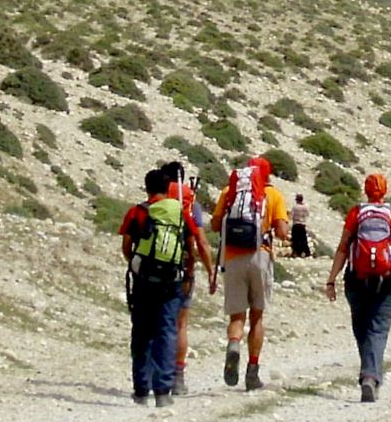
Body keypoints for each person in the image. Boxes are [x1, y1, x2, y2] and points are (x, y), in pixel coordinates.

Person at [119, 167, 215, 407]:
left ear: (147, 188)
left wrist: (135, 263)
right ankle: (163, 391)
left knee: (141, 333)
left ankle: (141, 390)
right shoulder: (180, 213)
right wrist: (197, 271)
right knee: (167, 331)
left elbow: (126, 245)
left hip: (143, 281)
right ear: (167, 189)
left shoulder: (138, 212)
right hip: (172, 280)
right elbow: (193, 244)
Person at [325, 173, 391, 403]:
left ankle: (368, 375)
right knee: (379, 327)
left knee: (361, 326)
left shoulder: (356, 214)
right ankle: (370, 377)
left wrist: (331, 280)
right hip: (387, 281)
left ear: (366, 190)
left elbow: (343, 248)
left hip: (356, 278)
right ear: (385, 191)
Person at [213, 156, 288, 390]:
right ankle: (252, 372)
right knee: (257, 316)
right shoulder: (273, 195)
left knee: (237, 316)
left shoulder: (230, 191)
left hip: (233, 258)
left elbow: (215, 225)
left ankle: (233, 344)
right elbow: (283, 231)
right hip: (260, 256)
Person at [159, 161, 205, 393]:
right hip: (184, 269)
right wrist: (208, 268)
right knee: (181, 324)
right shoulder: (190, 204)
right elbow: (201, 240)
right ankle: (177, 376)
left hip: (154, 270)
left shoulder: (155, 201)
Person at [288, 194, 312, 258]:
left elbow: (291, 216)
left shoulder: (295, 207)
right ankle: (306, 252)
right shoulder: (305, 207)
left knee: (295, 239)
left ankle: (296, 252)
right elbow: (307, 214)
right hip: (302, 224)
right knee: (303, 239)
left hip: (296, 224)